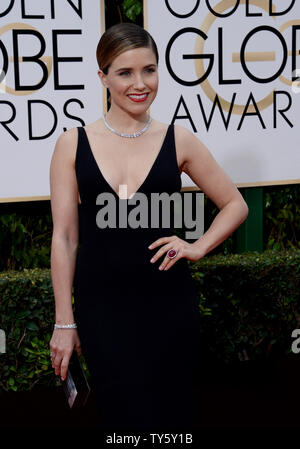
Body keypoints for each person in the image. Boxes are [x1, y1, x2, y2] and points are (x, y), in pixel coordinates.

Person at [49, 22, 248, 433]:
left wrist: (198, 245)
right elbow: (66, 238)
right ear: (102, 77)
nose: (140, 84)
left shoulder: (179, 140)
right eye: (125, 72)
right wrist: (65, 323)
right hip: (101, 310)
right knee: (119, 420)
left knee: (170, 418)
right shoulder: (72, 143)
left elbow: (235, 204)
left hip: (167, 305)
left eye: (150, 70)